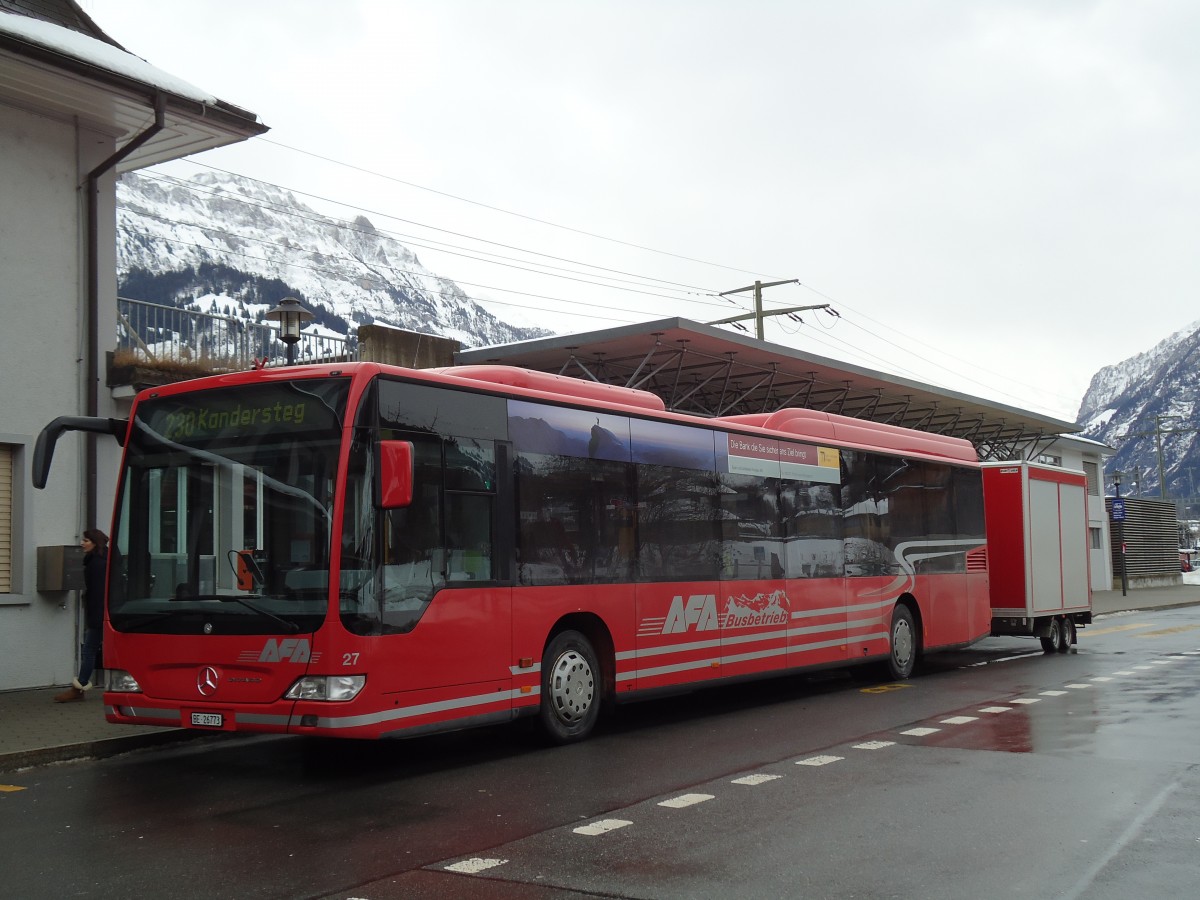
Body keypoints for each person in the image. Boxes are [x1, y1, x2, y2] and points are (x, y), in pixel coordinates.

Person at [54, 529, 108, 702]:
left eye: (86, 540)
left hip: (99, 615)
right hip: (102, 613)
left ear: (94, 542)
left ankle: (79, 689)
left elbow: (98, 593)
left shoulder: (97, 563)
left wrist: (95, 618)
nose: (82, 543)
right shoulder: (100, 560)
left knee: (89, 649)